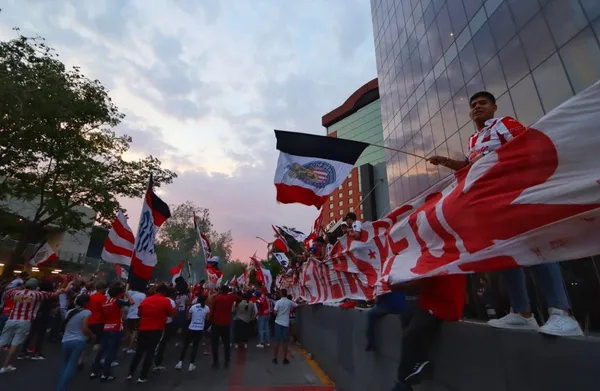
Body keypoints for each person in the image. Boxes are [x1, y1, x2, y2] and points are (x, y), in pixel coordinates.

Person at [428, 90, 583, 337]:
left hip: (516, 194)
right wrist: (446, 161)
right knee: (506, 253)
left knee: (537, 248)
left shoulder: (504, 123)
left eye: (483, 103)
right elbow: (471, 168)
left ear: (494, 107)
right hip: (492, 203)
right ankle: (522, 313)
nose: (477, 107)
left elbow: (526, 146)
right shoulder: (473, 140)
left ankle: (563, 313)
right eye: (474, 105)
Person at [389, 275, 466, 391]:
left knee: (411, 333)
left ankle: (404, 381)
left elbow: (422, 283)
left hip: (442, 304)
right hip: (429, 302)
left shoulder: (439, 261)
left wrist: (399, 287)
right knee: (407, 318)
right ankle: (419, 360)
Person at [0, 278, 63, 374]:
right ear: (36, 287)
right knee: (15, 343)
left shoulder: (16, 293)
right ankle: (5, 365)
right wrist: (64, 288)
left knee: (2, 341)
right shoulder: (37, 295)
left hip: (12, 319)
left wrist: (16, 283)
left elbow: (7, 290)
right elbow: (54, 294)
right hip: (25, 321)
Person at [128, 284, 174, 383]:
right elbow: (172, 314)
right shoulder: (165, 301)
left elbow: (139, 313)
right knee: (150, 352)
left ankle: (130, 373)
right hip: (156, 329)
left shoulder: (146, 299)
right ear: (165, 293)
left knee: (139, 351)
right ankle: (142, 376)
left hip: (143, 328)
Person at [90, 283, 131, 381]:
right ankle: (106, 374)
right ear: (118, 294)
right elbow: (131, 302)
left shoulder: (105, 302)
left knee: (102, 350)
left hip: (106, 328)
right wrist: (126, 294)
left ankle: (94, 371)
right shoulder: (117, 301)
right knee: (111, 352)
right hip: (116, 328)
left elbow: (103, 315)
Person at [56, 294, 94, 391]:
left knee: (65, 364)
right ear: (86, 303)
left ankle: (60, 386)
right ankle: (62, 388)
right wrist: (92, 335)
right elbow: (84, 328)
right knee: (72, 364)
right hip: (79, 340)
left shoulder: (69, 312)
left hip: (66, 340)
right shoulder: (87, 312)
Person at [175, 294, 210, 372]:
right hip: (200, 328)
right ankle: (191, 364)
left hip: (191, 328)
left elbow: (188, 318)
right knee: (195, 347)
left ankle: (180, 363)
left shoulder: (193, 307)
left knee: (185, 346)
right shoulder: (207, 308)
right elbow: (207, 318)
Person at [210, 285, 242, 369]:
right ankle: (226, 361)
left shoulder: (216, 298)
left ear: (220, 290)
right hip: (226, 323)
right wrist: (235, 305)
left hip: (216, 323)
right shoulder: (231, 297)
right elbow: (240, 299)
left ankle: (215, 361)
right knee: (226, 343)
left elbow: (211, 309)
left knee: (215, 344)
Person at [272, 289, 298, 365]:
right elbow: (297, 305)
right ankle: (285, 358)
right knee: (285, 342)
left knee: (277, 341)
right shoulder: (289, 302)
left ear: (280, 294)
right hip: (286, 323)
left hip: (278, 322)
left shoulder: (278, 302)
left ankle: (275, 358)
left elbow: (275, 312)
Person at [123, 288, 146, 354]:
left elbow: (127, 302)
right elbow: (143, 304)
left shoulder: (129, 292)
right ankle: (130, 348)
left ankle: (126, 346)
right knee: (134, 332)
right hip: (137, 315)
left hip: (129, 314)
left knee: (128, 331)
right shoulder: (142, 295)